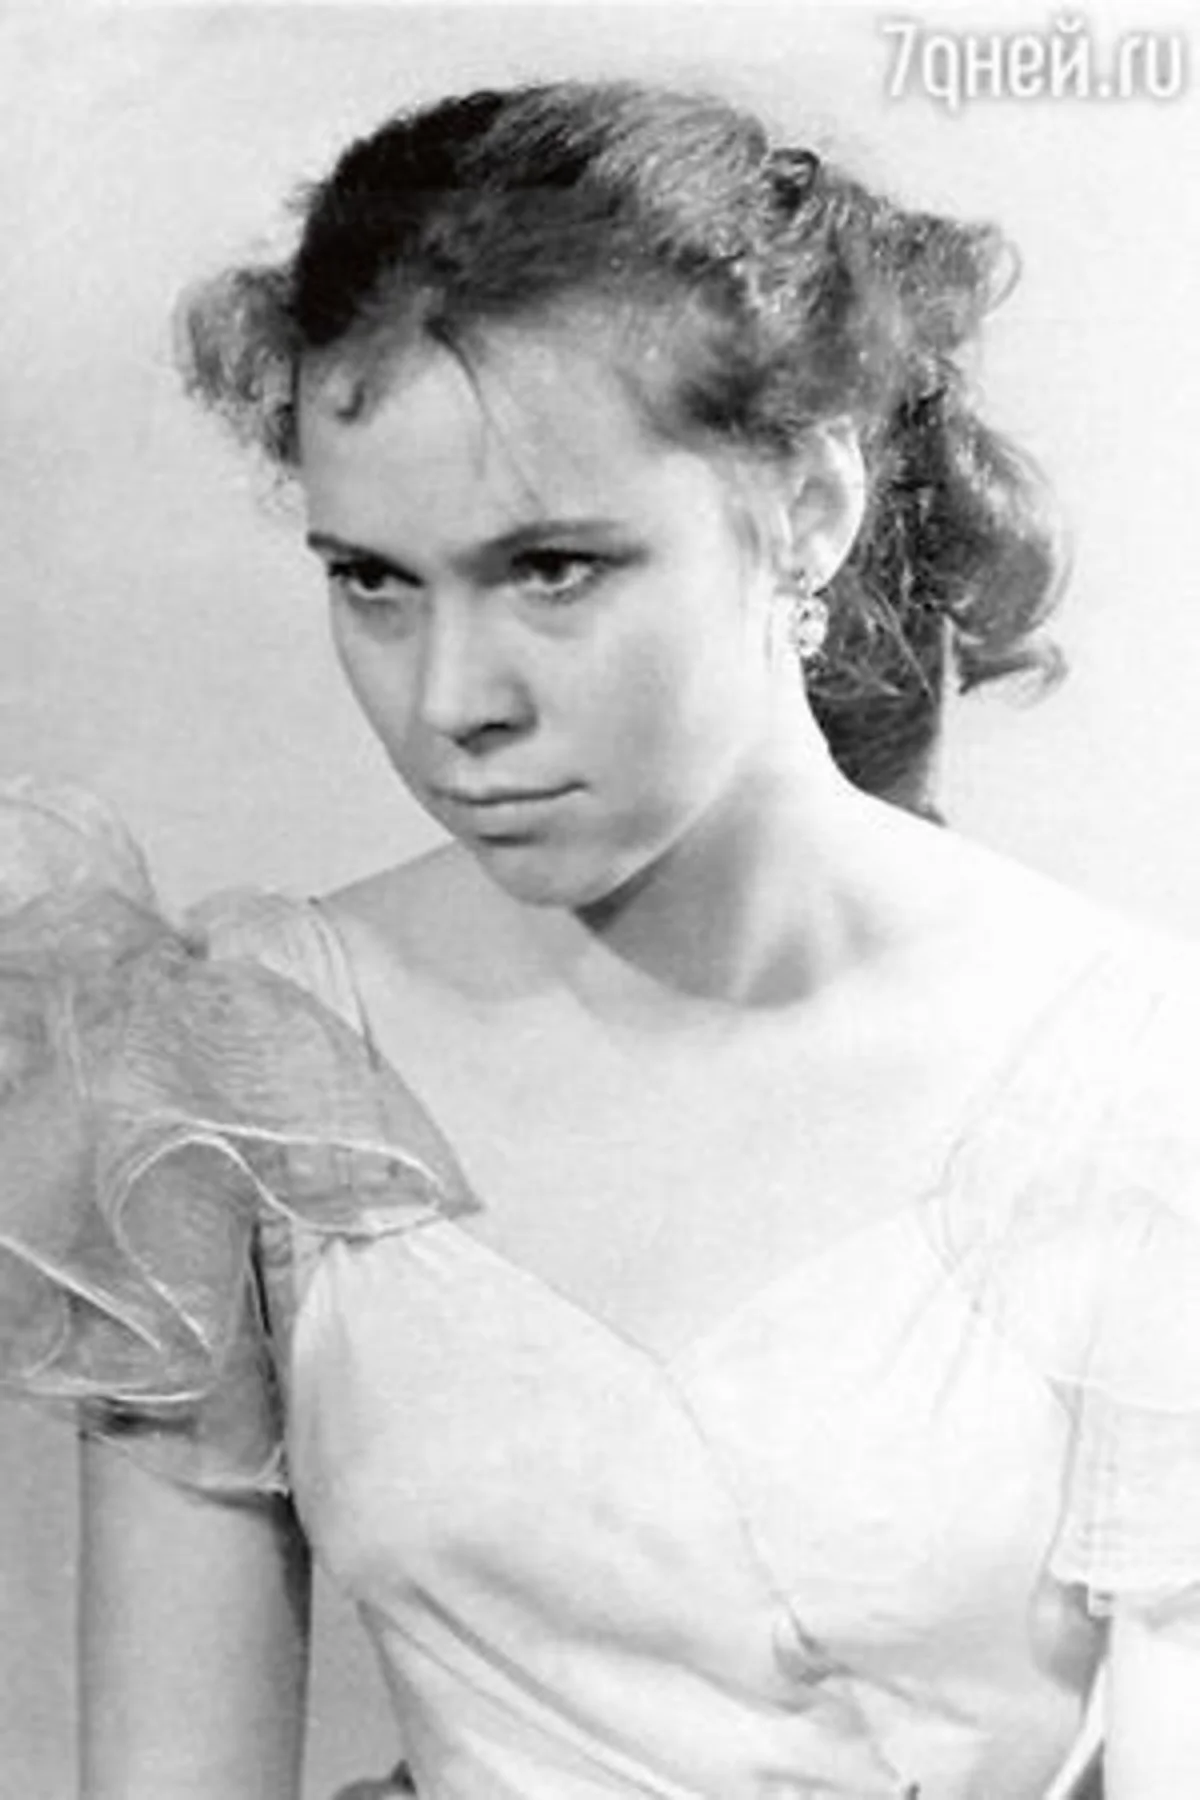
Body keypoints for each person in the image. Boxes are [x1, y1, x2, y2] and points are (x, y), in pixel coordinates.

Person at [1, 76, 1197, 1800]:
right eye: (373, 579)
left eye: (554, 567)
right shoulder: (238, 1069)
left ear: (808, 508)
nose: (451, 701)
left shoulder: (1141, 1085)